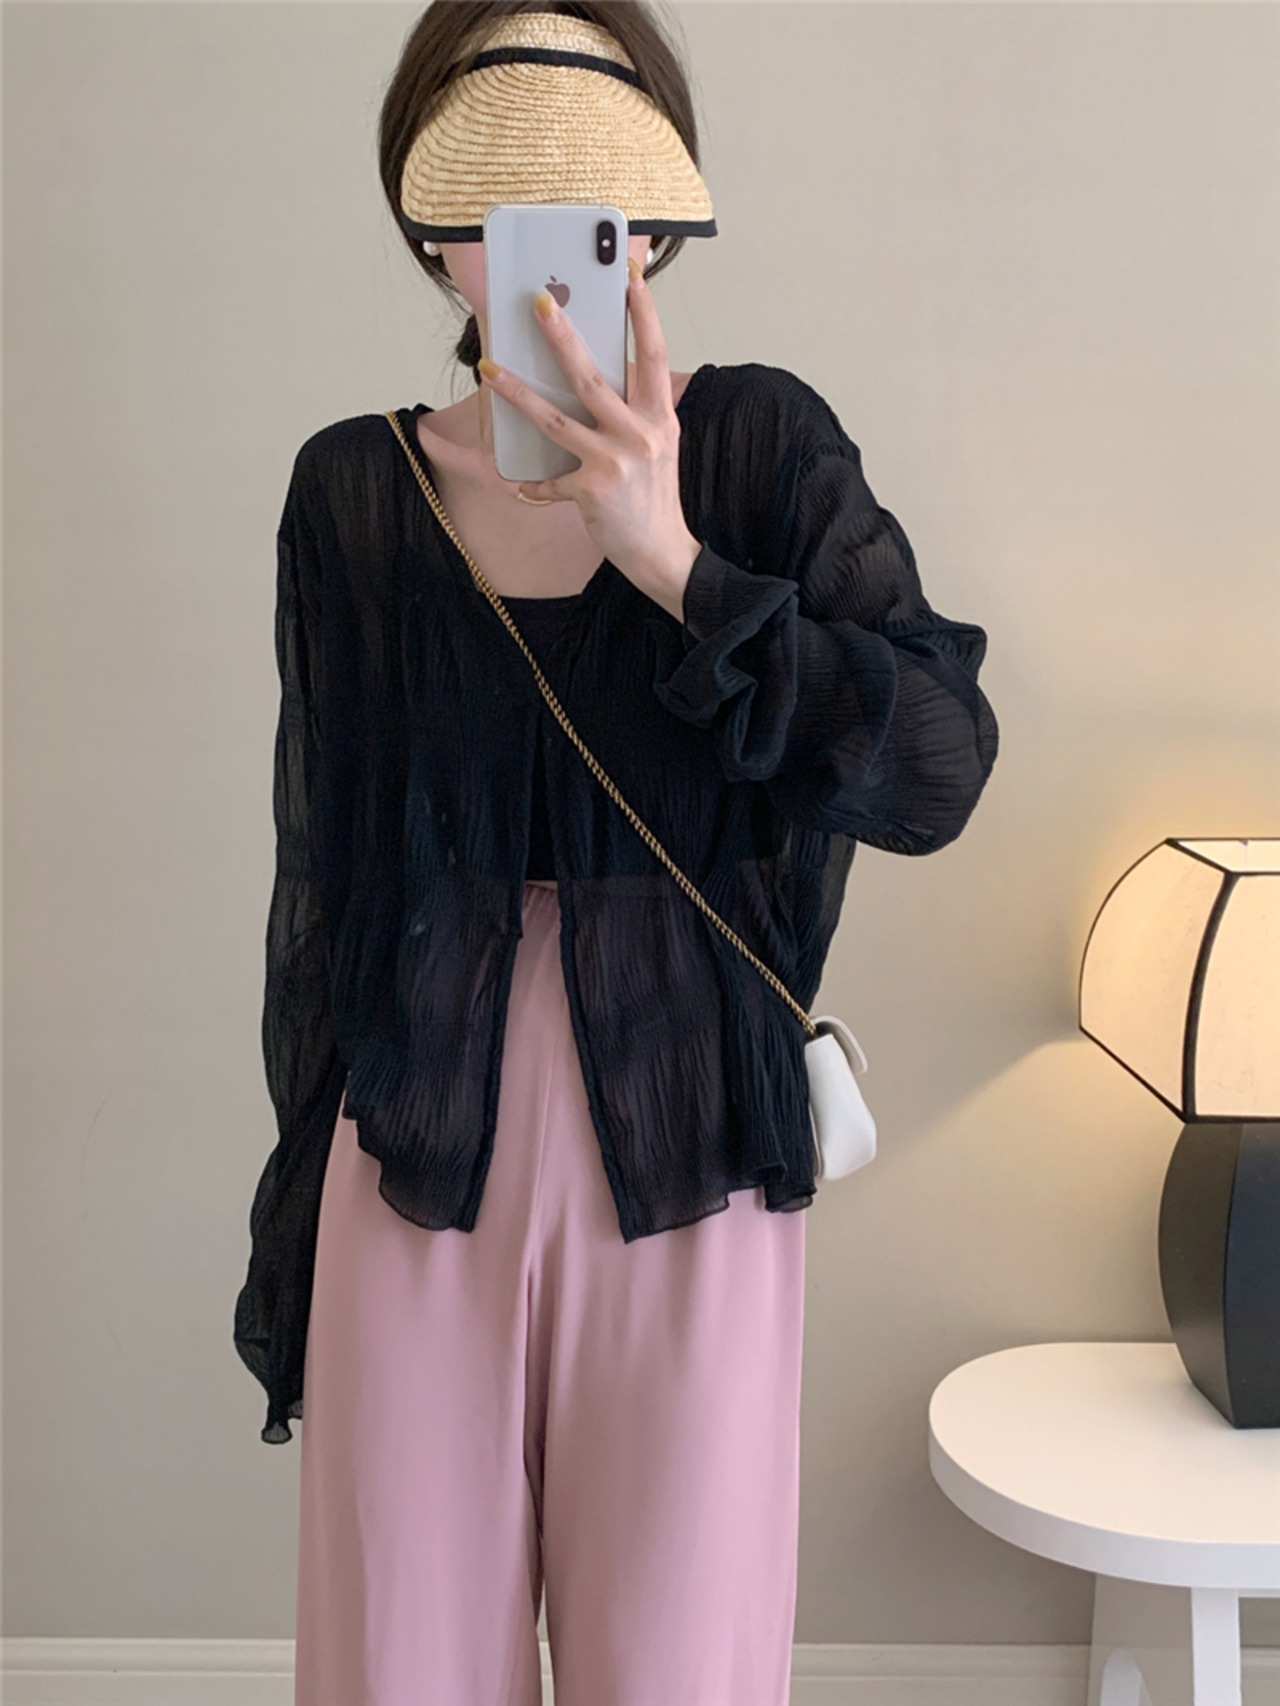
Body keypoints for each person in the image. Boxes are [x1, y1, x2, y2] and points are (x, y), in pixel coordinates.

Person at [233, 6, 1000, 1703]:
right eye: (490, 198)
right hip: (416, 1139)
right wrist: (299, 1230)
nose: (535, 242)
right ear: (435, 229)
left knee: (678, 1670)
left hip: (685, 1135)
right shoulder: (351, 493)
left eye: (582, 199)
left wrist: (676, 564)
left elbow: (939, 767)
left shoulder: (760, 450)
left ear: (647, 227)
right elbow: (327, 892)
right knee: (400, 1667)